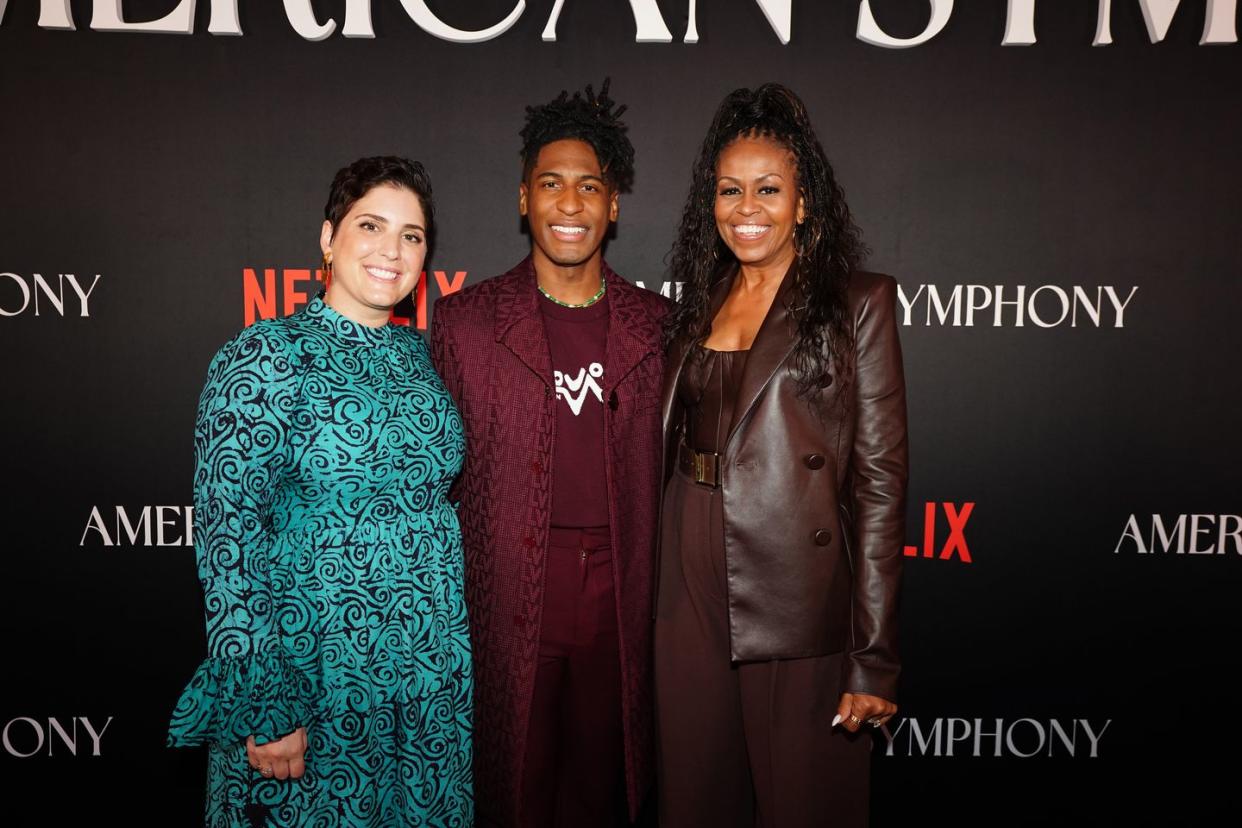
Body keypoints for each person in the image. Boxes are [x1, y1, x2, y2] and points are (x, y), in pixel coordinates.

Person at [168, 157, 472, 828]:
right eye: (371, 225)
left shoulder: (423, 359)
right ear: (329, 238)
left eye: (413, 235)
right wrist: (264, 704)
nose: (392, 250)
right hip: (315, 669)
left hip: (422, 671)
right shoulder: (265, 356)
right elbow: (227, 542)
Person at [656, 83, 908, 827]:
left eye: (769, 189)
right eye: (730, 190)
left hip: (795, 578)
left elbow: (881, 487)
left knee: (805, 798)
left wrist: (874, 656)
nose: (747, 208)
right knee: (696, 790)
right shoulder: (697, 304)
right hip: (684, 567)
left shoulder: (857, 302)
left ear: (804, 203)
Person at [431, 81, 670, 828]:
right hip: (504, 587)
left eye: (589, 186)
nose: (571, 204)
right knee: (514, 783)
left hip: (624, 588)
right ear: (524, 200)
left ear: (615, 205)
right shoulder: (468, 321)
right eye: (552, 184)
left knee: (605, 783)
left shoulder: (658, 326)